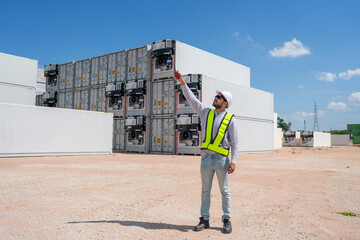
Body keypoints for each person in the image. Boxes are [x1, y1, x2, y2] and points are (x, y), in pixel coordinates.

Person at [174, 71, 239, 234]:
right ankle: (204, 219)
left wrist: (234, 161)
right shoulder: (205, 112)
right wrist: (182, 82)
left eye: (219, 97)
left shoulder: (231, 119)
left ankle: (226, 219)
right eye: (216, 96)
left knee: (225, 190)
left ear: (225, 103)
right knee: (205, 190)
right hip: (206, 158)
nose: (215, 98)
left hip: (222, 160)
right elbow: (192, 99)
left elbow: (235, 143)